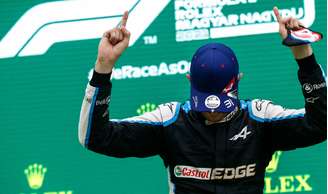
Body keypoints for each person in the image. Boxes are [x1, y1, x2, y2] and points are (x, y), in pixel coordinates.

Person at [78, 7, 326, 194]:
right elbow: (96, 138)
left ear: (239, 80)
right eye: (206, 102)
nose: (213, 112)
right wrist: (103, 67)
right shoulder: (171, 121)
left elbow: (321, 124)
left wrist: (303, 54)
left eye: (220, 102)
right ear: (189, 81)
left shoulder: (260, 118)